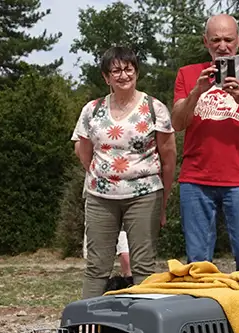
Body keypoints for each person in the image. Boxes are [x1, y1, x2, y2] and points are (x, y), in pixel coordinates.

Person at [172, 14, 239, 271]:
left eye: (228, 39)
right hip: (196, 179)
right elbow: (177, 123)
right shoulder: (188, 74)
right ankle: (201, 311)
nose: (222, 46)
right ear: (205, 41)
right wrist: (197, 91)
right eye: (216, 40)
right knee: (198, 262)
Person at [72, 46, 175, 299]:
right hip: (100, 196)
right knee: (97, 267)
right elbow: (82, 150)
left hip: (145, 194)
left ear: (136, 72)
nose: (123, 75)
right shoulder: (91, 110)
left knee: (143, 267)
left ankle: (147, 329)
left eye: (128, 69)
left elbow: (169, 156)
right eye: (115, 70)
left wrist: (163, 201)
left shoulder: (155, 108)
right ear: (106, 77)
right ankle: (88, 330)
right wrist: (105, 175)